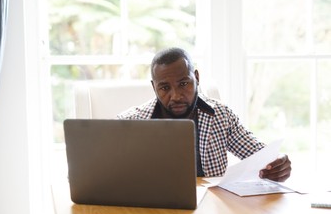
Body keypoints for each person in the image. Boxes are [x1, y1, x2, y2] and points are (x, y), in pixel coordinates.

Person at [117, 47, 291, 182]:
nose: (176, 96)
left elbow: (259, 156)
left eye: (184, 83)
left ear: (197, 78)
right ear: (154, 87)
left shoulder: (221, 115)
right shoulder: (128, 124)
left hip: (211, 211)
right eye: (164, 88)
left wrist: (276, 164)